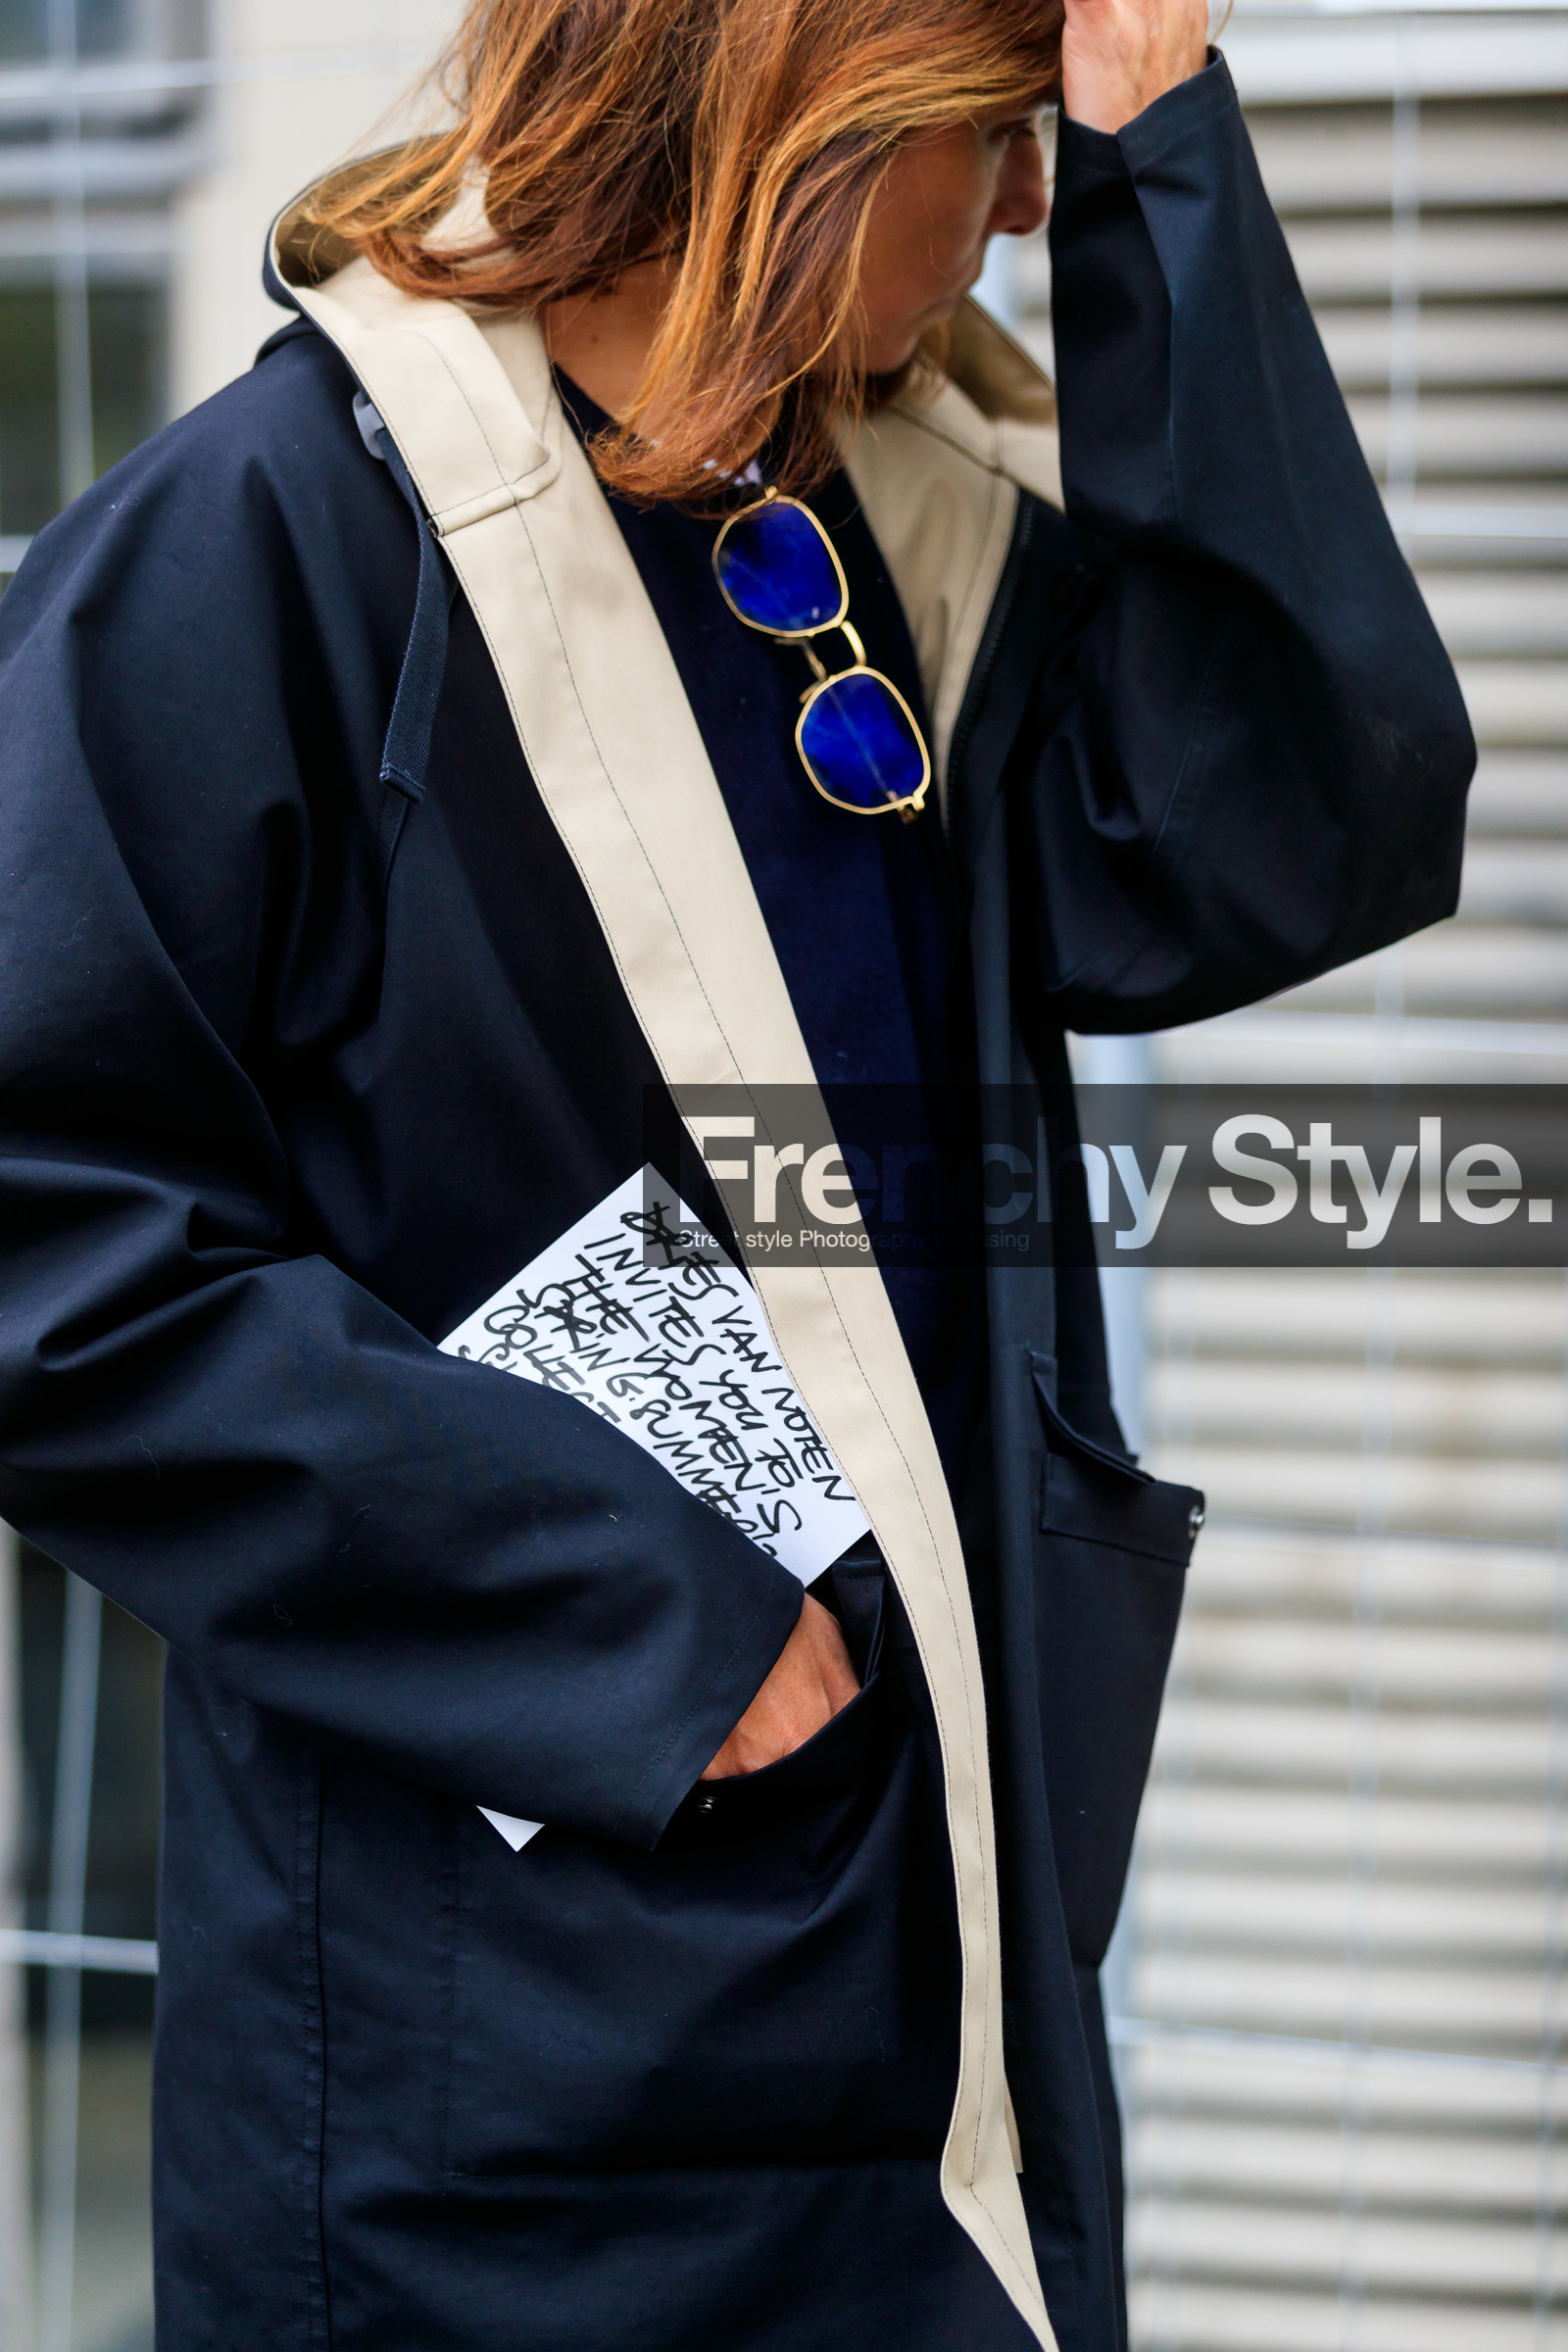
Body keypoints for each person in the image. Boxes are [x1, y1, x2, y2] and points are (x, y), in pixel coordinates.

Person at [0, 0, 1472, 2343]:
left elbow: (1291, 823)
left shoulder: (879, 522)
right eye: (988, 138)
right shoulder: (276, 537)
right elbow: (41, 1246)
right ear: (805, 109)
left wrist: (1154, 156)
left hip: (929, 1984)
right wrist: (644, 1630)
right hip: (507, 2076)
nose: (1015, 207)